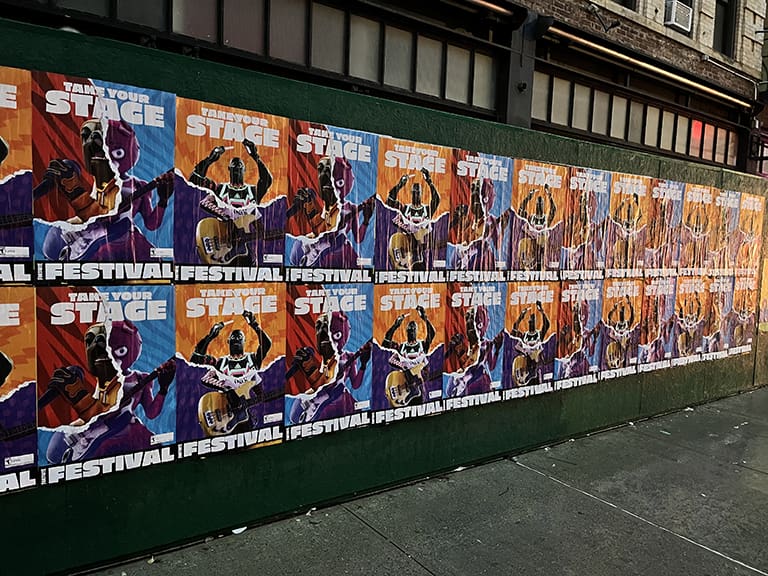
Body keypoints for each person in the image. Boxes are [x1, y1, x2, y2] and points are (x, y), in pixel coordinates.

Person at [36, 118, 173, 262]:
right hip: (96, 239)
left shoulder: (139, 186)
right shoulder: (93, 181)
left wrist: (163, 201)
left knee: (158, 265)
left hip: (125, 238)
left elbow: (151, 225)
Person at [44, 319, 175, 463]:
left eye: (120, 351)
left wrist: (163, 388)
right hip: (93, 436)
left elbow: (151, 413)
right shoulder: (94, 378)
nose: (112, 357)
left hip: (128, 431)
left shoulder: (140, 378)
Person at [287, 156, 374, 267]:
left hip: (332, 251)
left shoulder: (350, 208)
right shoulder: (322, 204)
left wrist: (366, 220)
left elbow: (358, 238)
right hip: (314, 246)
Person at [287, 310, 371, 422]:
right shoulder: (318, 356)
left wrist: (363, 365)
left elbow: (355, 384)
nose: (331, 341)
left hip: (338, 398)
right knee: (294, 418)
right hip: (315, 396)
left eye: (336, 335)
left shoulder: (348, 357)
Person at [386, 168, 440, 270]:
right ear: (411, 193)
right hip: (405, 245)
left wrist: (429, 181)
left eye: (418, 192)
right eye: (414, 192)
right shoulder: (405, 208)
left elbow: (436, 199)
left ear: (421, 193)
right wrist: (399, 185)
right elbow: (390, 201)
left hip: (419, 251)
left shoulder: (426, 209)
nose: (416, 194)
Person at [449, 178, 509, 270]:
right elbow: (456, 252)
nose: (475, 205)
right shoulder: (467, 220)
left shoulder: (491, 221)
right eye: (473, 200)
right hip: (464, 265)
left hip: (481, 264)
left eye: (478, 201)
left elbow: (498, 245)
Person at [445, 305, 503, 397]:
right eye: (471, 324)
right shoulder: (463, 344)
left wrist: (497, 349)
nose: (475, 329)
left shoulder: (486, 344)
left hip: (481, 384)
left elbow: (491, 366)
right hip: (467, 385)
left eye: (478, 325)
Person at [381, 305, 435, 404]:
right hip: (403, 381)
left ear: (417, 331)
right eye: (410, 329)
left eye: (413, 329)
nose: (412, 330)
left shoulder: (422, 345)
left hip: (417, 386)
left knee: (420, 404)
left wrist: (425, 318)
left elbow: (432, 333)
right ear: (406, 331)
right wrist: (395, 325)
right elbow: (385, 342)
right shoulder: (401, 347)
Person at [509, 301, 550, 386]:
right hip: (527, 364)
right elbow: (514, 330)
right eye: (530, 321)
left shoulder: (539, 335)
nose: (531, 321)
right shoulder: (524, 336)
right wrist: (521, 316)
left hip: (534, 367)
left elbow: (547, 325)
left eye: (533, 320)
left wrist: (542, 311)